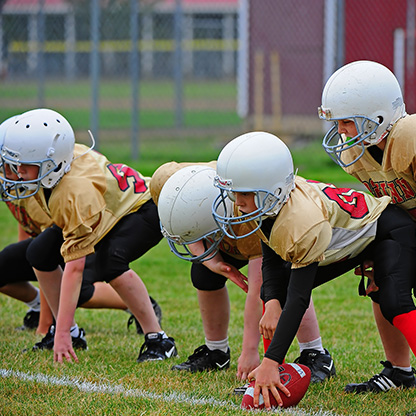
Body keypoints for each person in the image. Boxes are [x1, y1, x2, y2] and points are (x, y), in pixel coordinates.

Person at [211, 131, 416, 409]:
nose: (238, 201)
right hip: (355, 240)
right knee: (277, 289)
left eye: (245, 193)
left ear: (273, 189)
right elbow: (271, 255)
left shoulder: (301, 219)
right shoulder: (271, 202)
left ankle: (273, 366)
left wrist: (269, 358)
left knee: (394, 300)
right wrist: (271, 302)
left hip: (389, 230)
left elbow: (299, 298)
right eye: (236, 192)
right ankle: (273, 374)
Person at [0, 108, 176, 364]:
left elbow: (75, 267)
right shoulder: (56, 169)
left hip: (140, 209)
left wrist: (59, 333)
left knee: (110, 263)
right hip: (103, 212)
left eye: (20, 166)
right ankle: (72, 331)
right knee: (38, 253)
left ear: (49, 164)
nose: (12, 173)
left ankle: (158, 338)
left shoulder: (72, 193)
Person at [150, 161, 336, 384]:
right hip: (225, 227)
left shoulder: (249, 207)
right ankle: (216, 351)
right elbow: (188, 230)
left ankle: (314, 352)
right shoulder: (170, 181)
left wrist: (250, 351)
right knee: (203, 275)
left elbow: (259, 287)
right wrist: (212, 263)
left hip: (283, 229)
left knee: (285, 280)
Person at [319, 59, 416, 393]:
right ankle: (399, 371)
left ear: (379, 116)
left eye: (347, 121)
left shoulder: (409, 137)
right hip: (406, 228)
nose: (342, 131)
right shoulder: (358, 153)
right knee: (381, 283)